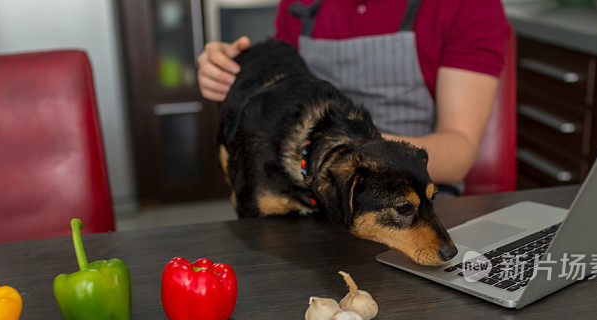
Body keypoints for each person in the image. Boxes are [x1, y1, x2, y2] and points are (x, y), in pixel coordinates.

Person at [196, 0, 509, 194]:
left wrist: (345, 152)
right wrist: (232, 70)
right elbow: (279, 96)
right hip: (312, 193)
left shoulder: (468, 4)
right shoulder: (299, 3)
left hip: (410, 201)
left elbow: (459, 148)